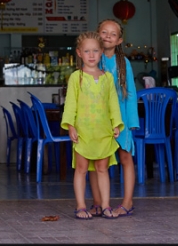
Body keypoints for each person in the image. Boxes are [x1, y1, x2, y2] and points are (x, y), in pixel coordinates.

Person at [61, 30, 124, 220]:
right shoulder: (76, 77)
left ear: (101, 53)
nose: (91, 55)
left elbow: (113, 102)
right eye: (87, 51)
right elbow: (70, 103)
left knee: (102, 169)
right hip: (83, 132)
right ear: (79, 53)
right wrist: (70, 125)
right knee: (80, 169)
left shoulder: (107, 78)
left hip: (103, 131)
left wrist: (116, 124)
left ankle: (105, 206)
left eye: (95, 51)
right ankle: (81, 206)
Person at [87, 18, 139, 217]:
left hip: (121, 119)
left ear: (119, 40)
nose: (108, 36)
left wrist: (132, 122)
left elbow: (131, 93)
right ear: (97, 34)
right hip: (96, 119)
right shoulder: (92, 59)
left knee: (125, 158)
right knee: (96, 160)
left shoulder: (123, 63)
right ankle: (98, 202)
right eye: (104, 32)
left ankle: (127, 202)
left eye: (113, 34)